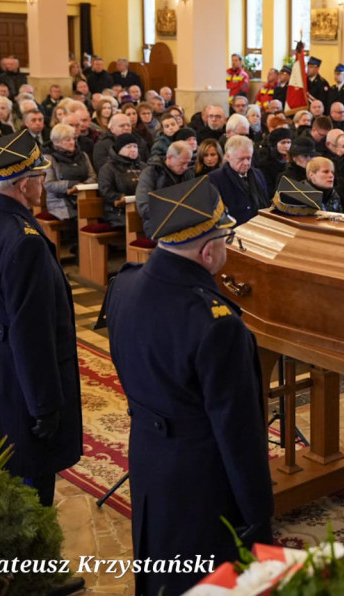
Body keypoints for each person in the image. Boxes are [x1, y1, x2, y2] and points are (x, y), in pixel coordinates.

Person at [104, 177, 273, 596]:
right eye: (226, 237)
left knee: (160, 562)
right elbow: (238, 431)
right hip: (202, 475)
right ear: (207, 249)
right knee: (206, 578)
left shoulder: (124, 284)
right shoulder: (216, 324)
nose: (227, 247)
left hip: (147, 452)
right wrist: (258, 511)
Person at [0, 130, 83, 508]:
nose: (42, 184)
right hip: (22, 380)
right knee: (30, 483)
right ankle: (32, 565)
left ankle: (11, 562)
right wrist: (44, 404)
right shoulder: (24, 239)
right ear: (23, 183)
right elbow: (33, 332)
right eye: (40, 177)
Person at [135, 140, 195, 237]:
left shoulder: (187, 173)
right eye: (182, 163)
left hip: (183, 221)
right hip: (157, 224)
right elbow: (144, 207)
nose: (185, 167)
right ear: (170, 157)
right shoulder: (151, 172)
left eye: (188, 163)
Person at [208, 135, 270, 224]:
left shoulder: (258, 174)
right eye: (241, 159)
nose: (246, 163)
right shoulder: (214, 179)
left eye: (249, 158)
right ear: (228, 157)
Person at [43, 123, 96, 221]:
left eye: (73, 139)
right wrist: (73, 185)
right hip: (60, 202)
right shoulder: (48, 158)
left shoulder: (83, 155)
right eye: (68, 140)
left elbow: (92, 176)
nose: (72, 142)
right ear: (57, 142)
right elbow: (49, 184)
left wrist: (81, 186)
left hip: (83, 198)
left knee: (97, 216)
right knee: (81, 218)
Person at [97, 133, 145, 227]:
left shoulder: (144, 166)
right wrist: (122, 197)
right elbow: (106, 191)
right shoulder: (108, 168)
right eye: (128, 147)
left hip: (141, 208)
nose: (133, 149)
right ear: (119, 150)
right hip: (118, 211)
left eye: (135, 146)